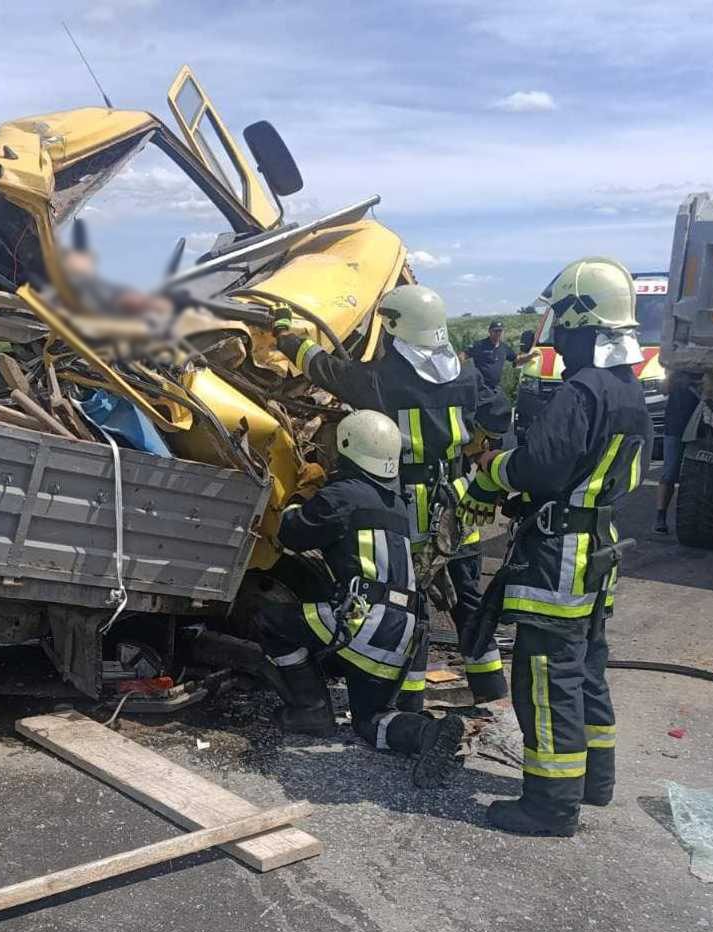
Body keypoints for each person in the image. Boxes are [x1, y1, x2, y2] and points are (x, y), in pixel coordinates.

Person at [462, 256, 652, 836]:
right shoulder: (627, 390)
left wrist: (491, 473)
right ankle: (595, 783)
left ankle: (549, 805)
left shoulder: (582, 391)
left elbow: (539, 466)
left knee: (546, 676)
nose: (557, 339)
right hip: (599, 548)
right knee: (586, 667)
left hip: (561, 553)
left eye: (561, 326)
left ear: (582, 321)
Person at [270, 286, 509, 708]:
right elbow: (498, 413)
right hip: (459, 499)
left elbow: (326, 369)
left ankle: (409, 700)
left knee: (410, 599)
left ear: (395, 326)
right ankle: (490, 684)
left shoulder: (385, 378)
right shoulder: (467, 373)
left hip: (409, 504)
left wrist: (288, 336)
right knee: (468, 596)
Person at [252, 409, 465, 784]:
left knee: (270, 622)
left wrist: (302, 496)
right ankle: (426, 734)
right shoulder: (394, 504)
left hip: (363, 622)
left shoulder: (343, 495)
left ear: (347, 449)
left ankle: (311, 708)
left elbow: (292, 533)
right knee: (371, 722)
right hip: (401, 628)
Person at [654, 371, 699, 534]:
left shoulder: (704, 372)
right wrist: (673, 375)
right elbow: (664, 389)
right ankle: (661, 517)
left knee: (693, 477)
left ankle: (686, 518)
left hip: (698, 429)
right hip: (676, 427)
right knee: (669, 474)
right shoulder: (677, 369)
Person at [467, 319, 529, 390]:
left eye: (500, 331)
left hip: (495, 387)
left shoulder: (504, 348)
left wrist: (530, 356)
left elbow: (517, 360)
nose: (498, 333)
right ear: (490, 331)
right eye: (496, 331)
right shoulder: (479, 345)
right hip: (480, 387)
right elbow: (464, 355)